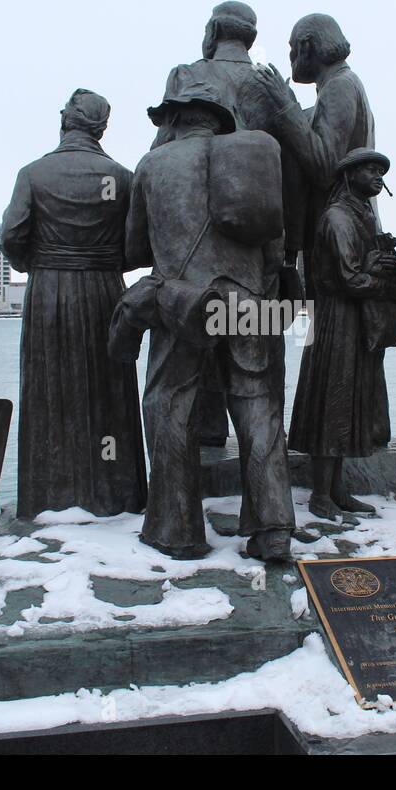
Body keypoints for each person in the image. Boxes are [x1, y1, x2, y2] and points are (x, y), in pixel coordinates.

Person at [125, 83, 296, 562]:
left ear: (177, 119)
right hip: (250, 304)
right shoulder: (254, 161)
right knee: (259, 410)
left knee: (169, 406)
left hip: (182, 304)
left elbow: (132, 249)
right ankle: (274, 529)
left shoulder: (152, 165)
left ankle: (177, 529)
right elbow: (275, 248)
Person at [0, 89, 146, 519]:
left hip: (48, 295)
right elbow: (140, 247)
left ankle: (48, 498)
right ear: (102, 128)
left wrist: (40, 264)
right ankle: (116, 496)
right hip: (105, 294)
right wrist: (104, 261)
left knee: (49, 393)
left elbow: (11, 237)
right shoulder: (122, 177)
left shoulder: (33, 174)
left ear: (65, 119)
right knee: (109, 393)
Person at [149, 1, 279, 446]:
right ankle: (271, 513)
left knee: (174, 396)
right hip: (255, 260)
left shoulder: (187, 73)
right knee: (257, 393)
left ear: (212, 31)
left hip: (188, 278)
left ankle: (180, 504)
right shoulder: (269, 84)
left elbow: (165, 151)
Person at [288, 149, 396, 523]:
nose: (378, 175)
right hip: (338, 322)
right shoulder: (338, 217)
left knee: (352, 404)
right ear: (349, 176)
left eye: (381, 170)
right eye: (370, 169)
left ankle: (337, 489)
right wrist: (388, 283)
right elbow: (349, 278)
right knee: (334, 404)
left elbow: (367, 271)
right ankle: (321, 495)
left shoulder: (365, 216)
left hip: (358, 322)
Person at [255, 14, 374, 301]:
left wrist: (286, 108)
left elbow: (325, 167)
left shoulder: (340, 85)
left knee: (333, 332)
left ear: (306, 47)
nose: (291, 57)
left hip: (339, 231)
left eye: (292, 48)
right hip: (341, 227)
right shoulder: (337, 86)